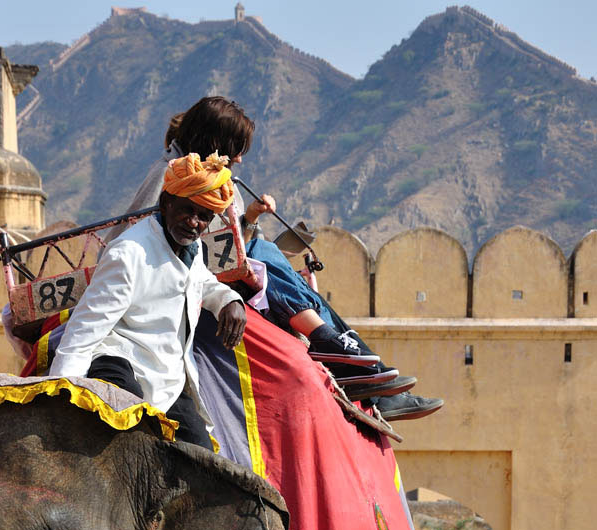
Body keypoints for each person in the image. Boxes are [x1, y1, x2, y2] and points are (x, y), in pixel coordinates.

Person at [117, 96, 442, 422]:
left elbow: (227, 240)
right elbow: (143, 238)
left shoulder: (212, 175)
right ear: (214, 142)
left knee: (279, 266)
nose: (240, 159)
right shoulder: (171, 176)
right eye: (235, 147)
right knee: (265, 252)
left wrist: (251, 219)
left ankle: (368, 376)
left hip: (224, 269)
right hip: (188, 278)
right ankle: (350, 355)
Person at [50, 151, 247, 451]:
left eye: (204, 216)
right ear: (166, 203)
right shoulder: (128, 255)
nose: (194, 223)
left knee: (202, 458)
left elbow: (201, 282)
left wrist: (229, 300)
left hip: (166, 377)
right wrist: (59, 402)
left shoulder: (192, 249)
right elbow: (83, 332)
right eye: (187, 211)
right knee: (132, 446)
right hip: (119, 362)